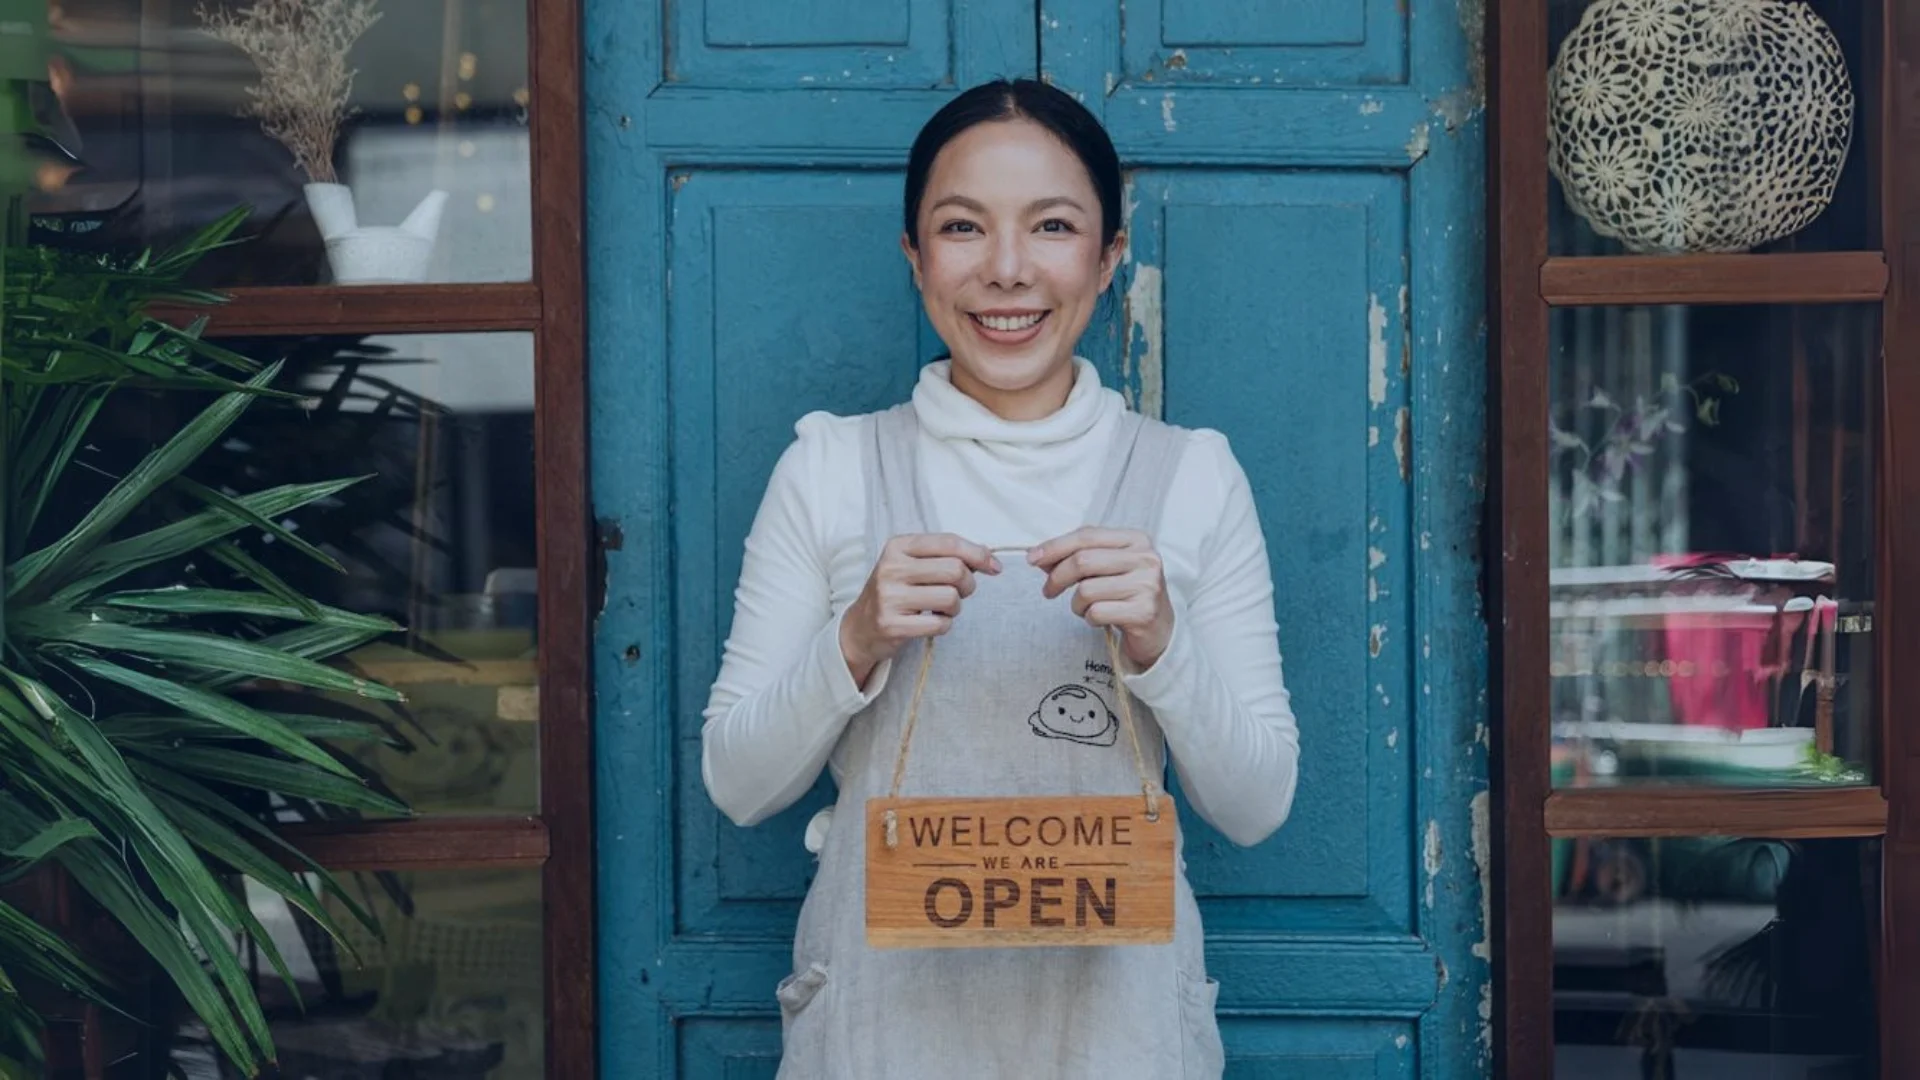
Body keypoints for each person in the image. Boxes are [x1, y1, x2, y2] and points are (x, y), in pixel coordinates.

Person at [701, 77, 1301, 1080]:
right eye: (963, 227)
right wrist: (852, 642)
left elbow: (1257, 804)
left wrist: (1163, 644)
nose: (1009, 270)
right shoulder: (831, 469)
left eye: (1054, 226)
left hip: (1121, 1039)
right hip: (881, 1039)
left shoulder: (1191, 476)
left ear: (1109, 257)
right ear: (916, 258)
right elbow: (737, 783)